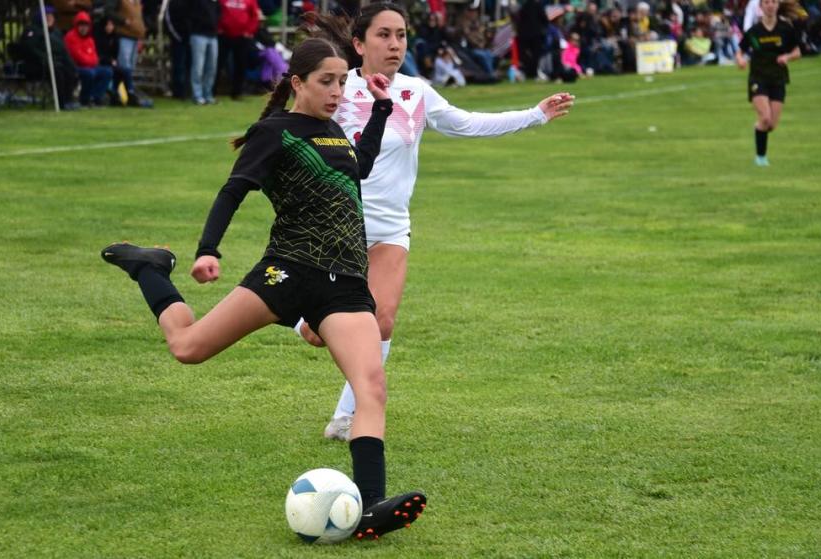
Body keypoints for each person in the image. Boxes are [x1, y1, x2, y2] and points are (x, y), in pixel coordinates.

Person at [99, 37, 425, 541]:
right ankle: (149, 269)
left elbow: (358, 165)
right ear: (298, 83)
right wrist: (209, 249)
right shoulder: (274, 132)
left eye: (343, 82)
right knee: (188, 347)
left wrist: (380, 110)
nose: (338, 91)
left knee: (372, 388)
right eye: (327, 82)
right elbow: (234, 190)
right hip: (288, 271)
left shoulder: (334, 131)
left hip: (345, 283)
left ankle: (370, 506)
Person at [301, 3, 574, 442]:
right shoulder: (337, 89)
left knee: (381, 320)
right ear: (358, 44)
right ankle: (291, 313)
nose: (394, 45)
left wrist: (535, 114)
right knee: (317, 334)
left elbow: (467, 124)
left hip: (390, 228)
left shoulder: (416, 92)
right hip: (335, 224)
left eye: (402, 35)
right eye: (383, 35)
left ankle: (347, 415)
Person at [736, 0, 800, 166]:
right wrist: (741, 60)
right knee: (765, 118)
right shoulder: (754, 31)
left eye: (773, 2)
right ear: (761, 7)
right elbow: (740, 50)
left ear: (777, 6)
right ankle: (761, 158)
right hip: (758, 78)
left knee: (771, 125)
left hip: (778, 79)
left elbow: (797, 52)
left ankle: (759, 130)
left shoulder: (785, 29)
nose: (770, 5)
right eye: (766, 2)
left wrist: (787, 57)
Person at [64, 11, 113, 107]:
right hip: (75, 67)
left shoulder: (89, 39)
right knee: (89, 73)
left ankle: (95, 97)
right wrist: (90, 61)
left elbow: (95, 57)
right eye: (81, 25)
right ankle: (85, 98)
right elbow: (78, 57)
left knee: (107, 72)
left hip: (89, 67)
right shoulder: (71, 37)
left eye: (86, 25)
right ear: (76, 25)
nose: (84, 28)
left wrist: (90, 61)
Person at [217, 0, 261, 100]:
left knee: (240, 64)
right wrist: (219, 27)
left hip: (242, 37)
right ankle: (213, 90)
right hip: (224, 35)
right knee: (219, 63)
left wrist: (249, 31)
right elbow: (217, 11)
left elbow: (254, 16)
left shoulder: (250, 1)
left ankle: (237, 92)